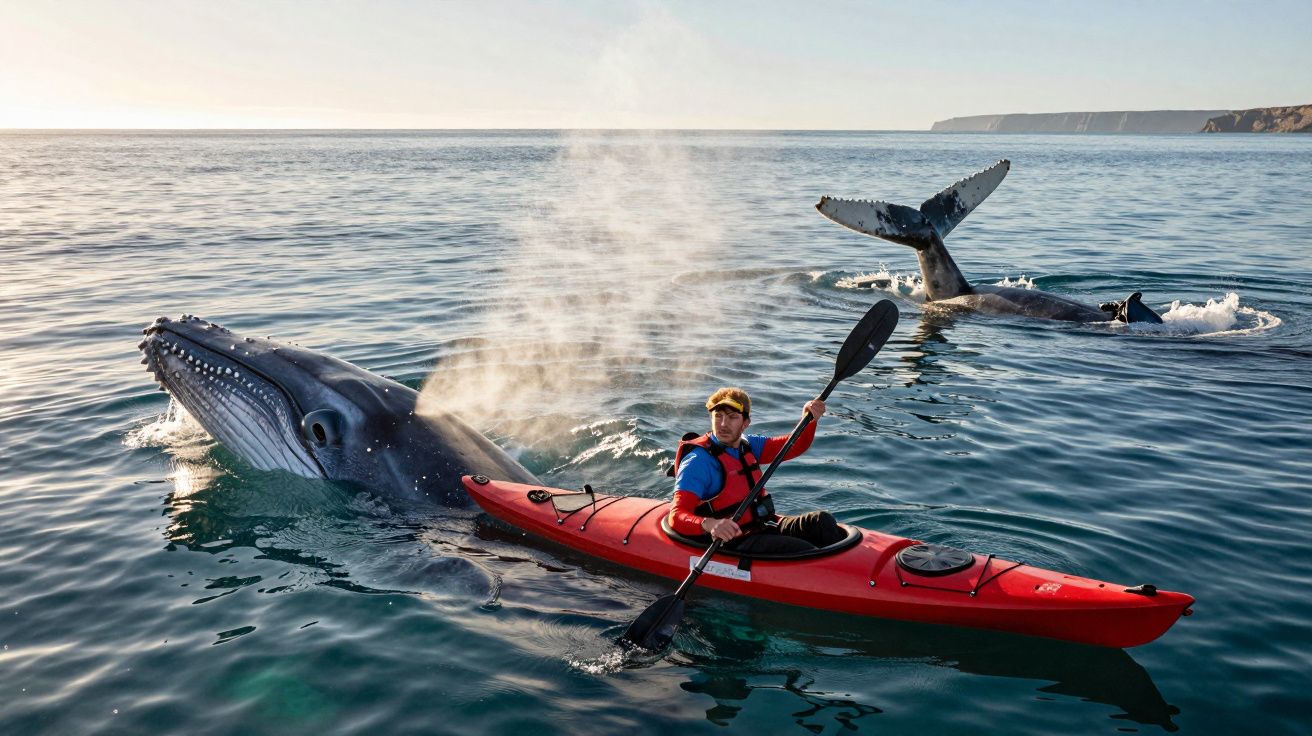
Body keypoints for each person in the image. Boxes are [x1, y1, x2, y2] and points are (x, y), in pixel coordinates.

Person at [667, 387, 845, 554]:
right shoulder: (698, 462)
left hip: (762, 526)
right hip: (731, 542)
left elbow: (793, 445)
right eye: (718, 416)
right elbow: (676, 516)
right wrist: (710, 524)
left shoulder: (748, 445)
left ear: (746, 422)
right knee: (806, 551)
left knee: (822, 522)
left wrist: (809, 418)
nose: (723, 424)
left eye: (732, 417)